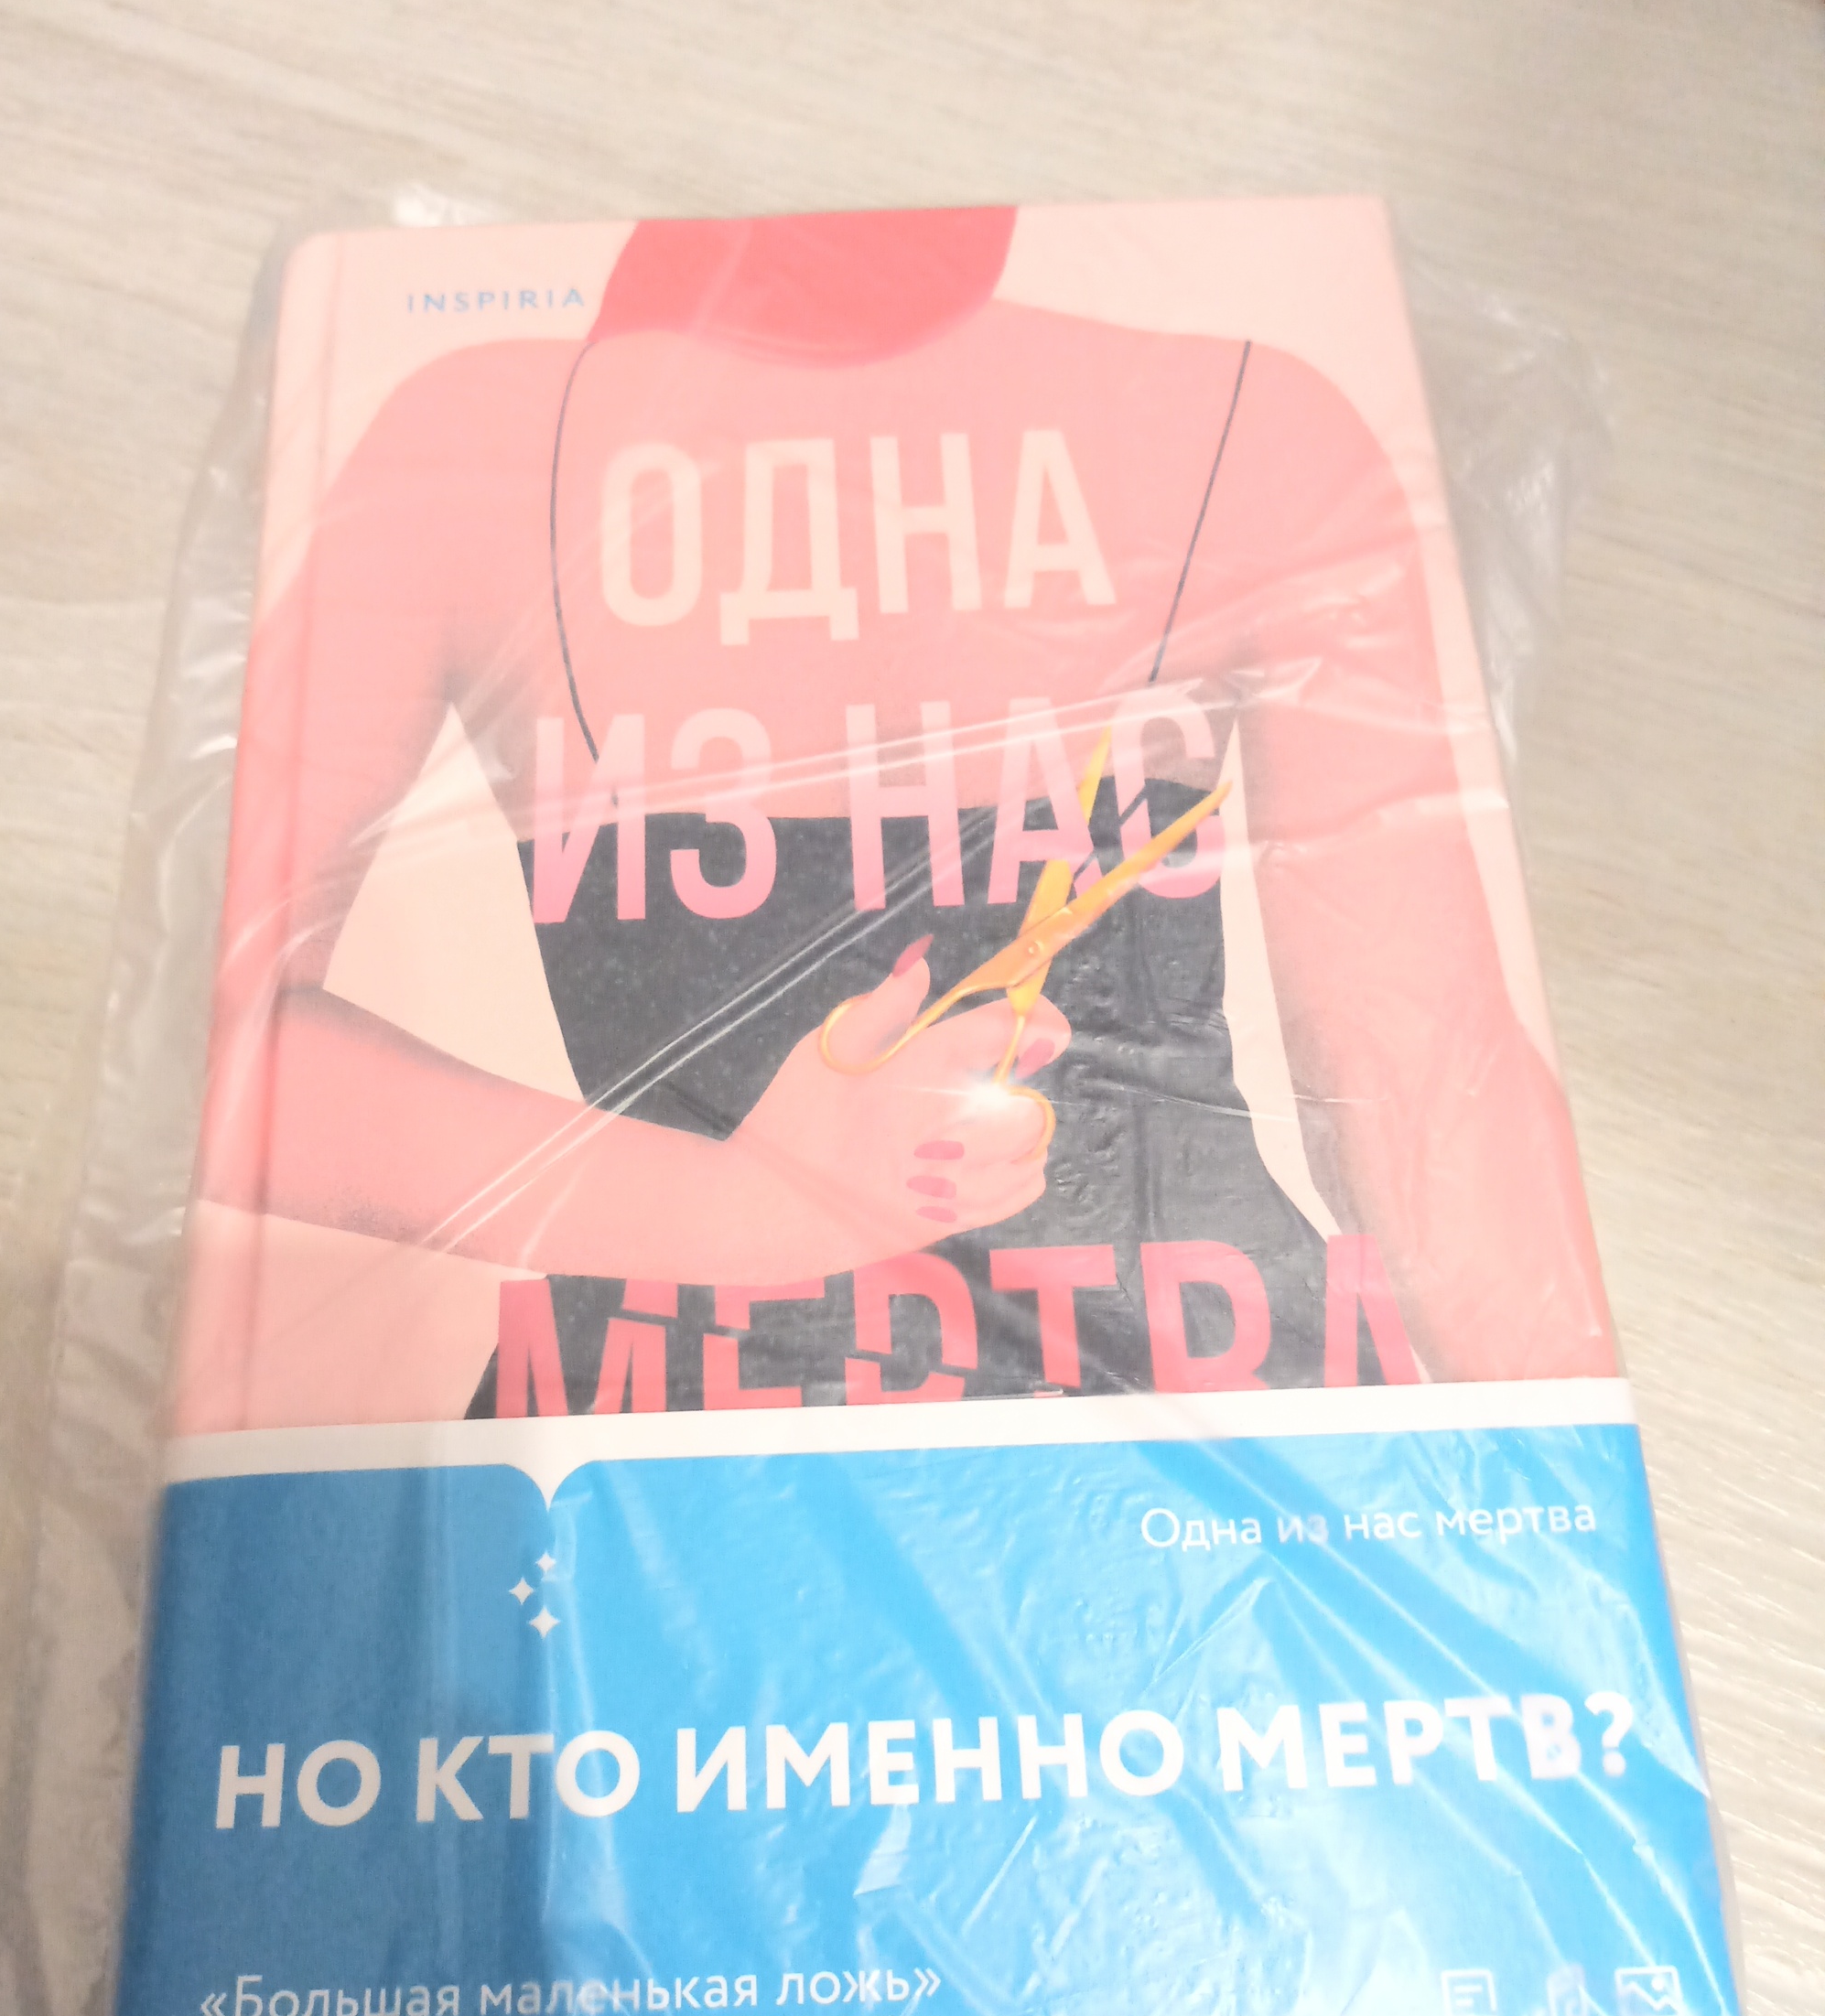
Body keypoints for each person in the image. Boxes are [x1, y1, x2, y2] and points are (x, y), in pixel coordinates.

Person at [188, 206, 1614, 1426]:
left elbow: (1425, 1061)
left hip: (677, 1424)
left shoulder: (474, 443)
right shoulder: (1248, 417)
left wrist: (736, 1214)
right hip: (1190, 1395)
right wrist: (743, 1212)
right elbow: (1423, 1065)